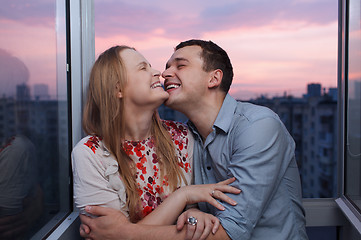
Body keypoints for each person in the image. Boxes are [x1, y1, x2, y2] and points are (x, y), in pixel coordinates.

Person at [80, 40, 308, 240]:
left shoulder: (257, 126)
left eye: (180, 65)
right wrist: (194, 209)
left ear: (213, 78)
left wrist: (125, 233)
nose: (164, 73)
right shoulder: (191, 136)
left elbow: (231, 231)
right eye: (167, 65)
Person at [73, 45, 241, 240]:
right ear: (118, 88)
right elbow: (109, 236)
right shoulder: (90, 153)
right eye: (143, 68)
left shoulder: (183, 136)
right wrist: (183, 195)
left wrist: (193, 212)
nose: (158, 73)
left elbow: (123, 233)